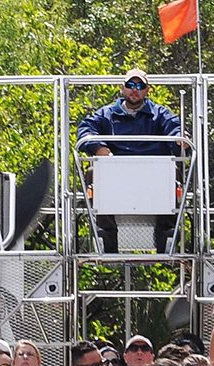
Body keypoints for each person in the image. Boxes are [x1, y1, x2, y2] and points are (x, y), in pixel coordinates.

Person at [77, 68, 183, 254]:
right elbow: (85, 130)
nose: (135, 89)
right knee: (94, 173)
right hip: (115, 170)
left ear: (147, 90)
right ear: (122, 88)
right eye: (130, 85)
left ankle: (166, 234)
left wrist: (179, 138)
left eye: (140, 85)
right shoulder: (106, 114)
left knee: (173, 172)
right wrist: (100, 148)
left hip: (154, 171)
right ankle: (106, 235)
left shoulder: (159, 114)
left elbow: (175, 128)